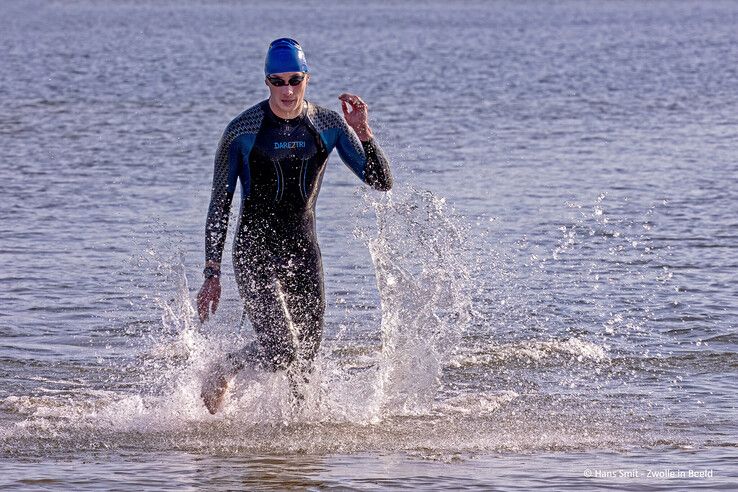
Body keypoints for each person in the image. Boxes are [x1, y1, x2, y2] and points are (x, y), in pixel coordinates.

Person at [196, 38, 393, 414]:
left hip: (303, 252)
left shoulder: (328, 124)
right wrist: (211, 273)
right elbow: (219, 204)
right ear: (266, 81)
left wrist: (364, 134)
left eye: (295, 80)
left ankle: (297, 455)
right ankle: (224, 369)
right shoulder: (242, 131)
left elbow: (381, 182)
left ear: (307, 78)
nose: (287, 90)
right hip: (254, 251)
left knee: (305, 357)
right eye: (278, 81)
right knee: (282, 349)